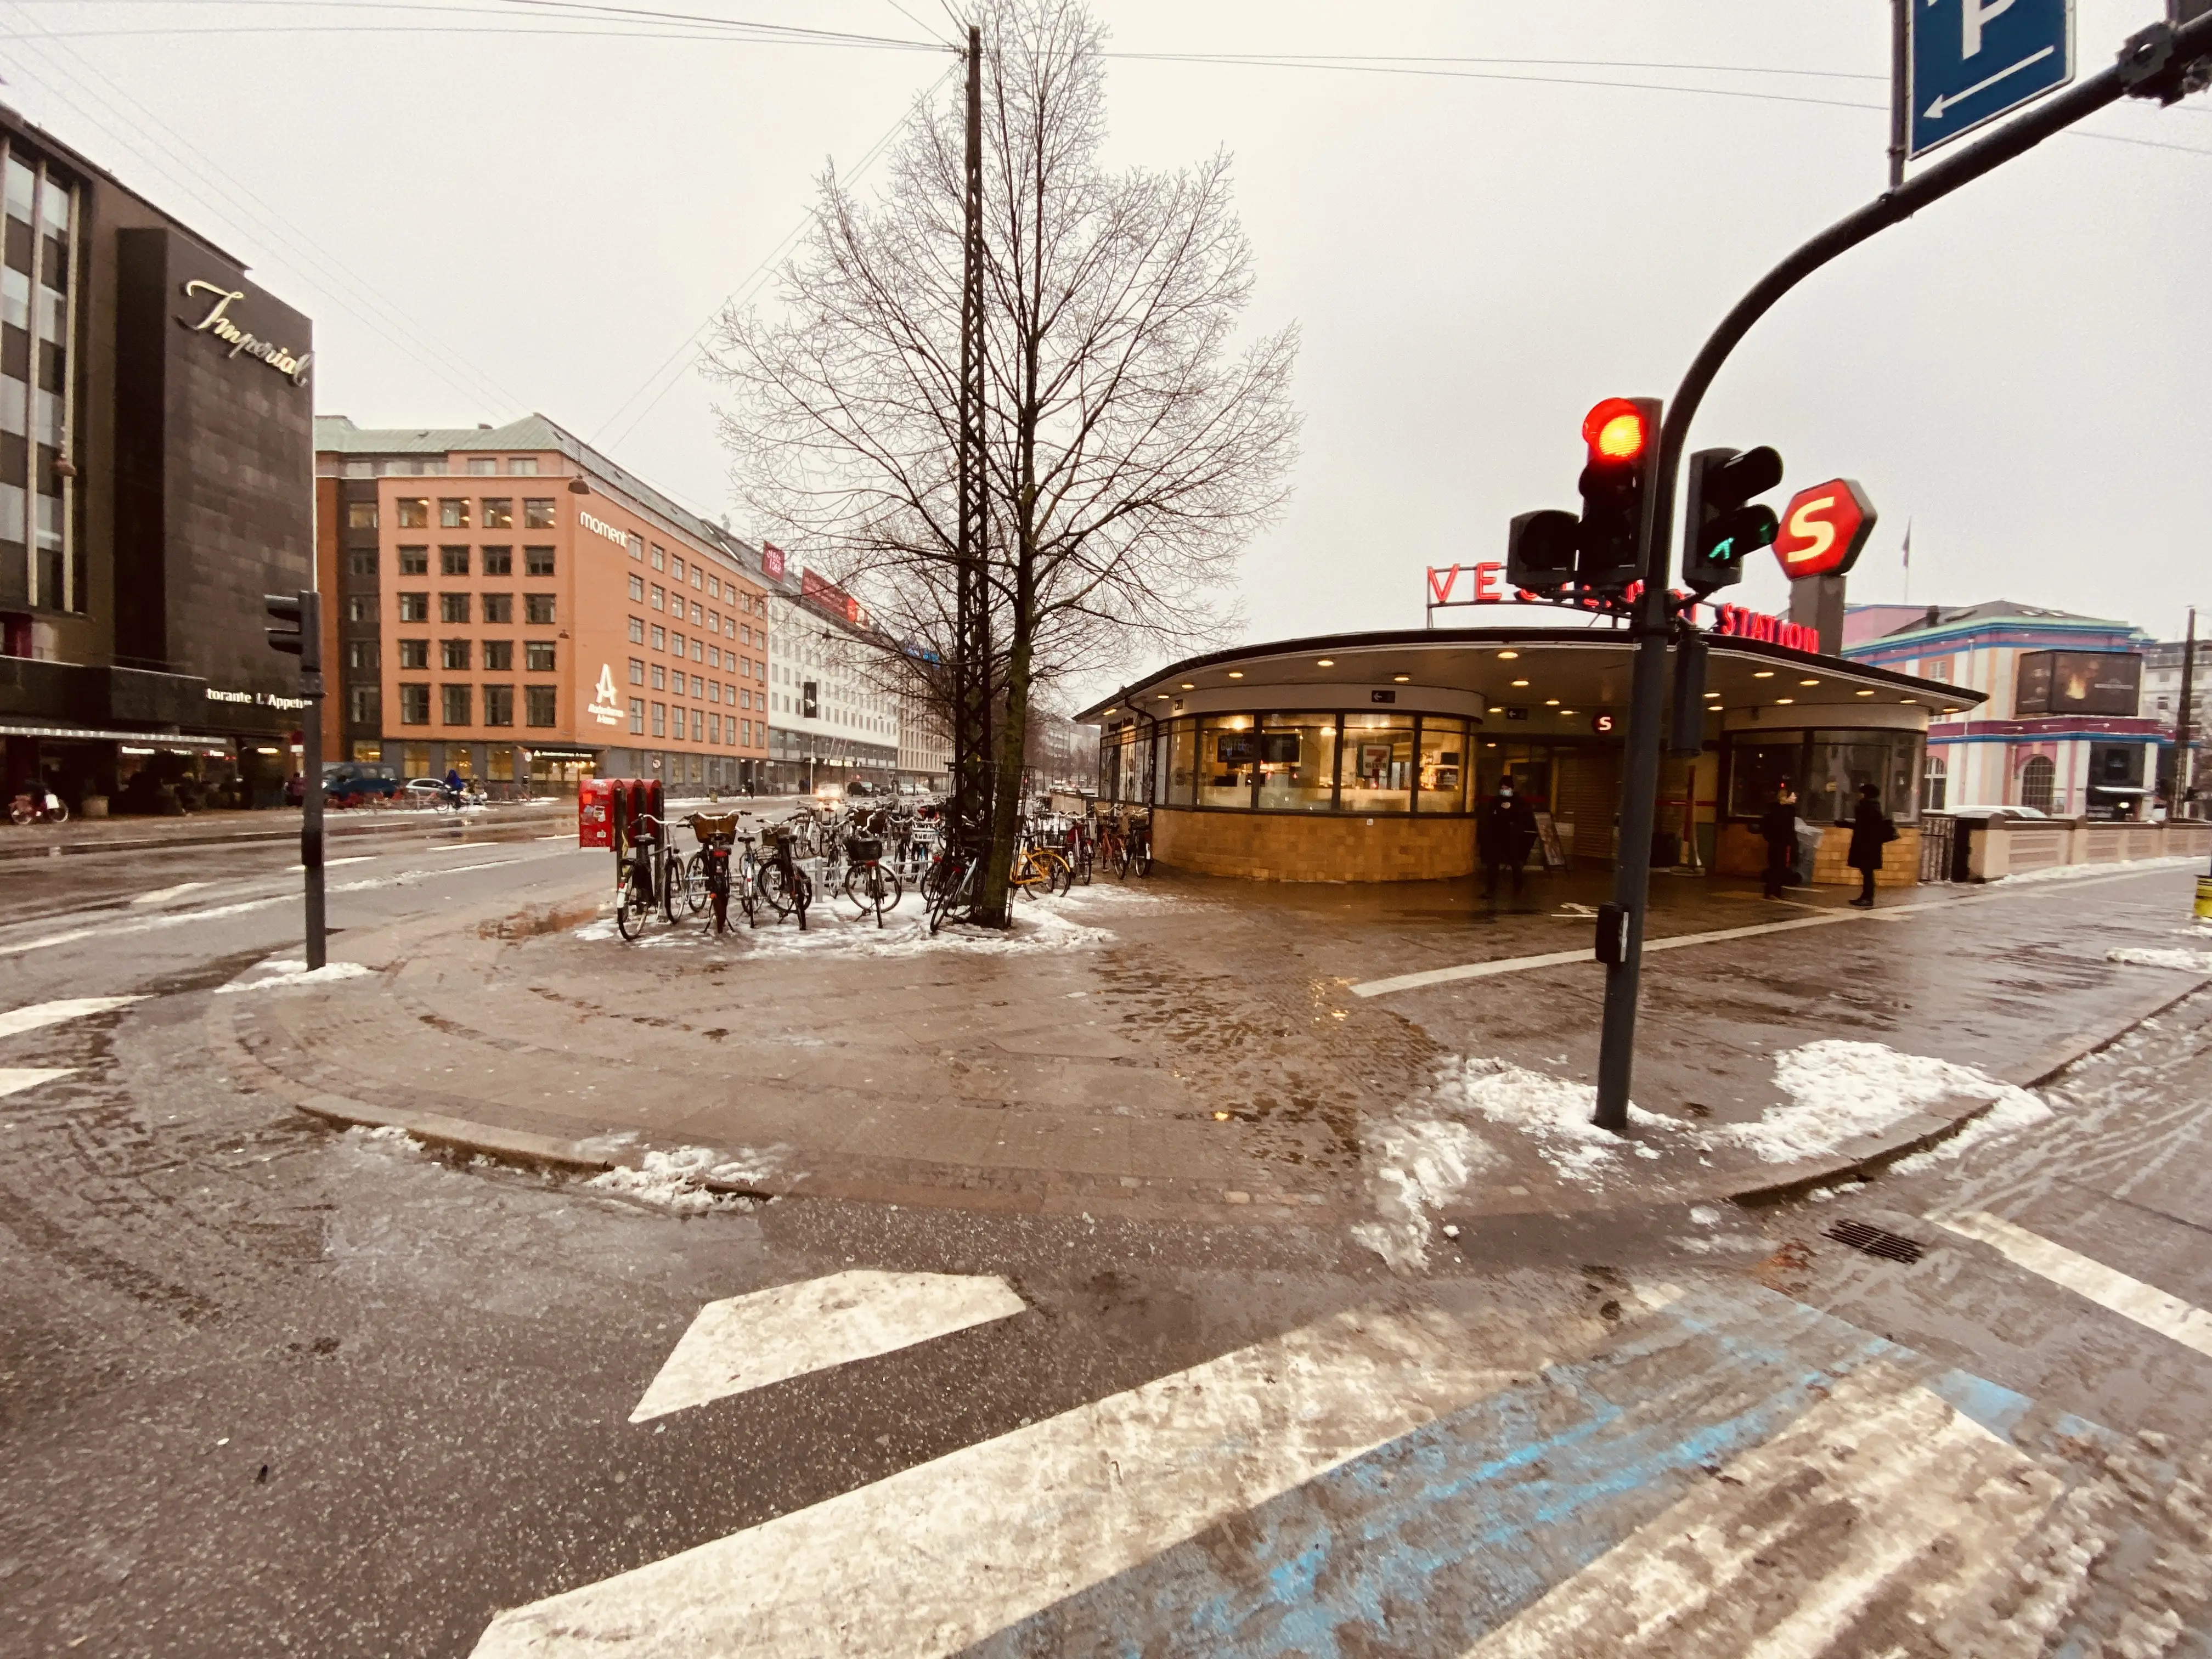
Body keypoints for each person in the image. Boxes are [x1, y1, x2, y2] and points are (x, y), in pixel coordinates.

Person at [1477, 781, 1539, 901]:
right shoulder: (1496, 801)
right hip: (1497, 837)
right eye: (1502, 787)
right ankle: (1491, 890)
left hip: (1512, 839)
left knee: (1515, 864)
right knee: (1493, 864)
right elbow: (1490, 816)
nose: (1504, 790)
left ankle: (1518, 886)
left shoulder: (1519, 802)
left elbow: (1525, 817)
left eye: (1506, 788)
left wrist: (1512, 809)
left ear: (1511, 789)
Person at [1846, 781, 1894, 908]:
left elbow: (1864, 826)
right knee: (1867, 871)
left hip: (1866, 844)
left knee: (1867, 872)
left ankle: (1868, 897)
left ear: (1865, 794)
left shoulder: (1867, 807)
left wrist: (1845, 824)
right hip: (1870, 844)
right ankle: (1866, 896)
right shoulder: (1873, 807)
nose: (1858, 795)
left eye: (1861, 793)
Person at [1759, 783, 1798, 900]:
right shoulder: (1777, 812)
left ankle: (1775, 892)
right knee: (1776, 867)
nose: (1795, 797)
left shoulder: (1787, 811)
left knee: (1780, 867)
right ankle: (1772, 891)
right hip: (1778, 843)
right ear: (1784, 797)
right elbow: (1778, 828)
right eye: (1792, 795)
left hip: (1782, 842)